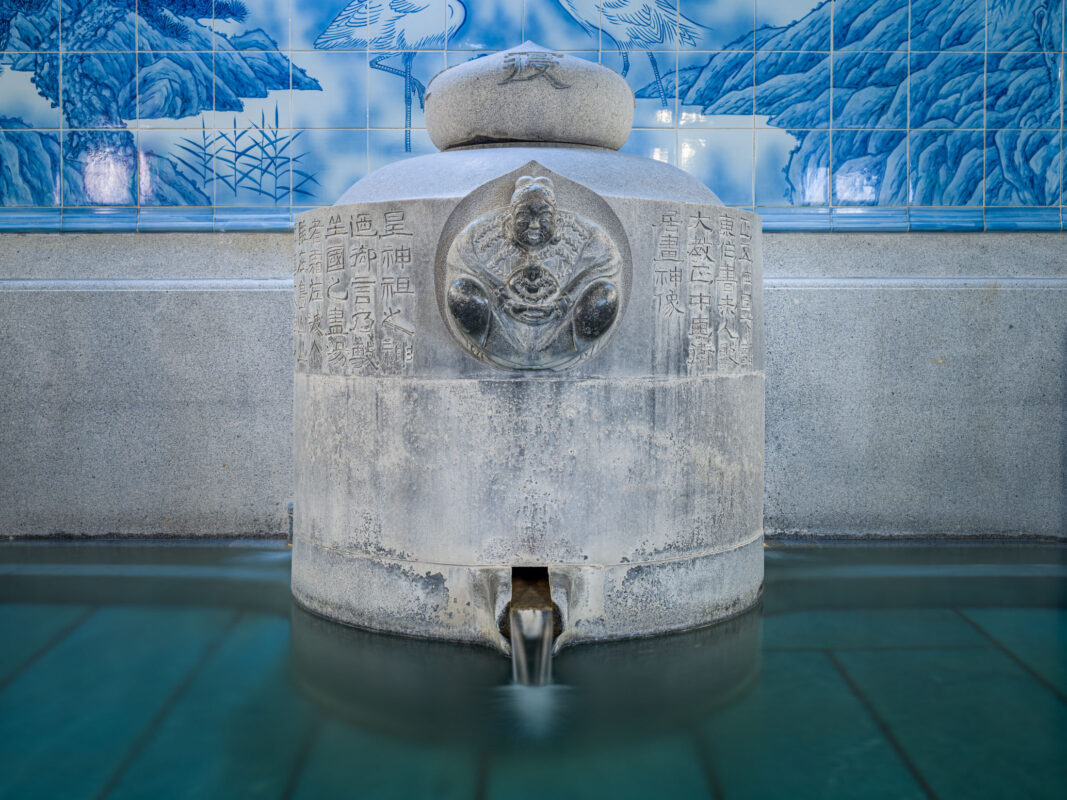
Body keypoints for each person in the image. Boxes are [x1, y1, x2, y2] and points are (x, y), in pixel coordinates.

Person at [445, 176, 621, 370]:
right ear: (508, 222)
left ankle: (555, 353)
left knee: (605, 296)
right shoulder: (477, 238)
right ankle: (507, 353)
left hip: (562, 328)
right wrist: (500, 294)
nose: (534, 226)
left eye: (543, 218)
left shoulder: (588, 238)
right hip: (501, 327)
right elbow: (463, 262)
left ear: (558, 222)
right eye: (524, 218)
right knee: (462, 293)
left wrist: (565, 300)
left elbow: (605, 264)